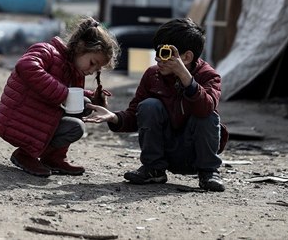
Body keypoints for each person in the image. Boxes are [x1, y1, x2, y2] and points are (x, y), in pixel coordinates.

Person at [85, 18, 228, 192]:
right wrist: (113, 117)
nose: (158, 59)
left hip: (194, 154)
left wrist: (186, 78)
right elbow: (135, 114)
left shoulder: (209, 76)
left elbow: (206, 107)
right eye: (157, 52)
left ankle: (209, 172)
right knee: (149, 105)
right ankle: (154, 169)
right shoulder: (153, 76)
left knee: (209, 114)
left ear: (187, 56)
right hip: (165, 152)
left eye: (165, 53)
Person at [0, 17, 120, 177]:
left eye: (97, 68)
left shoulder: (75, 72)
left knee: (83, 109)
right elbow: (25, 66)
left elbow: (66, 92)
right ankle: (25, 154)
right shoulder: (46, 51)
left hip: (37, 119)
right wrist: (64, 94)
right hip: (16, 120)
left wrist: (92, 97)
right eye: (92, 63)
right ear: (81, 47)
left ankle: (53, 158)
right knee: (78, 103)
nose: (92, 71)